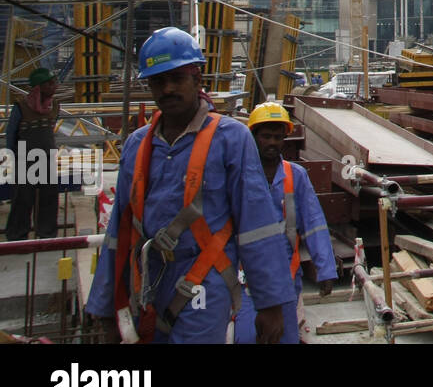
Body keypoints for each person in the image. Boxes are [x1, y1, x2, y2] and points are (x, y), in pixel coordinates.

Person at [85, 27, 295, 343]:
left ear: (197, 80)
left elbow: (258, 226)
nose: (167, 89)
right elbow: (120, 228)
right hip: (150, 279)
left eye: (177, 79)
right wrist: (105, 306)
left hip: (205, 279)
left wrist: (270, 304)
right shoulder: (137, 145)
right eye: (158, 81)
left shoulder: (230, 139)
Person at [233, 102, 337, 344]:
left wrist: (325, 270)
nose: (272, 143)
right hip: (245, 276)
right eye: (266, 136)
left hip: (286, 277)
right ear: (253, 137)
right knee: (248, 337)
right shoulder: (239, 175)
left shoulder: (296, 176)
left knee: (286, 337)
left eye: (278, 137)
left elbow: (314, 223)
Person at [4, 68, 61, 241]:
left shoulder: (54, 106)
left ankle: (46, 234)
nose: (54, 87)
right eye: (49, 84)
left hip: (46, 158)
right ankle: (17, 235)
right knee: (23, 199)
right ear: (38, 88)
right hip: (25, 160)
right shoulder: (21, 108)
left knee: (49, 197)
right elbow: (11, 134)